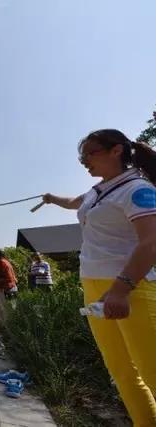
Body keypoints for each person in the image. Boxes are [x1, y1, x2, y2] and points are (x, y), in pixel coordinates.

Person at [42, 129, 156, 425]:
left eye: (89, 153)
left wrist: (121, 289)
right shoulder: (97, 191)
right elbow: (74, 204)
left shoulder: (137, 189)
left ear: (116, 150)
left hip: (132, 288)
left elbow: (151, 243)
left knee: (152, 370)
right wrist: (52, 198)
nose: (83, 161)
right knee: (121, 372)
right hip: (94, 286)